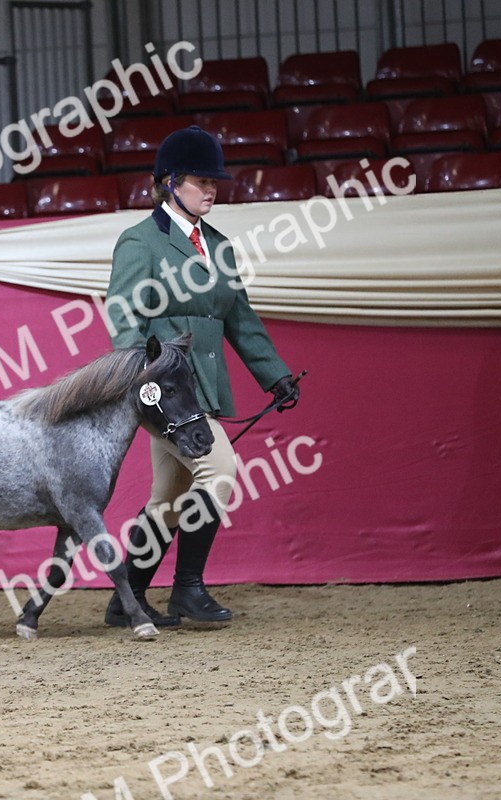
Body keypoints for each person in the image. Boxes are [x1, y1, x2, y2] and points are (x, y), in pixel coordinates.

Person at [103, 125, 299, 628]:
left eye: (214, 181)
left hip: (206, 388)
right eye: (199, 180)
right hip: (165, 392)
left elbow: (239, 318)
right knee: (220, 470)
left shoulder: (219, 245)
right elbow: (124, 319)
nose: (211, 189)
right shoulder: (140, 242)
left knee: (168, 499)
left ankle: (126, 599)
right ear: (169, 183)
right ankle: (188, 589)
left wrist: (273, 375)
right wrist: (139, 386)